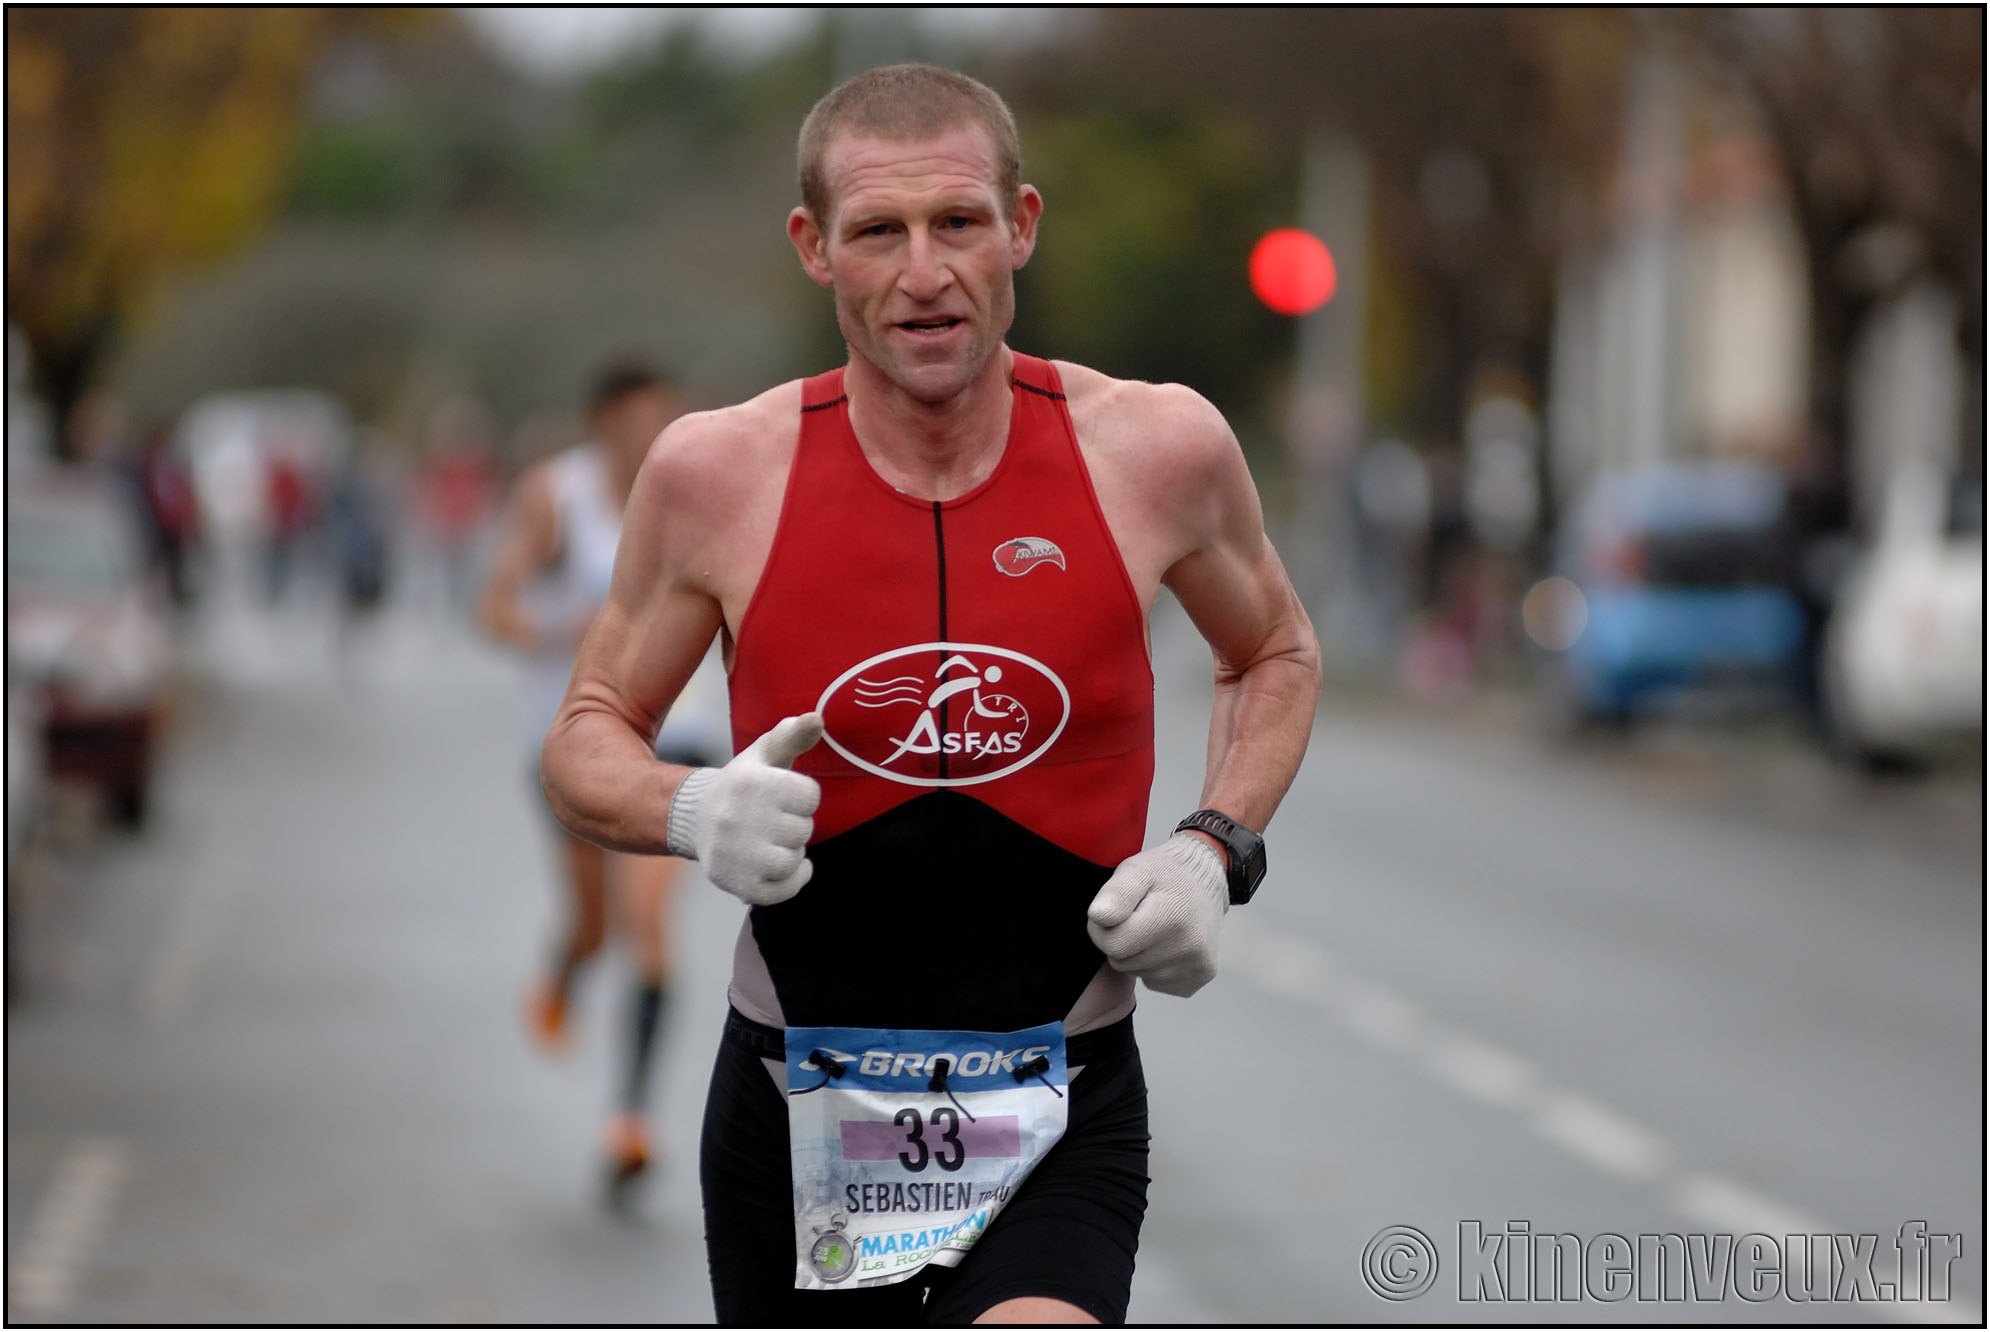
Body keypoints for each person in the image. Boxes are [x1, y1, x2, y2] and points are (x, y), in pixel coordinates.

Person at [540, 65, 1321, 1324]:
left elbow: (1274, 649)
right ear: (814, 249)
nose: (923, 273)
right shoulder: (719, 473)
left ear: (1020, 224)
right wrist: (692, 810)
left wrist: (1211, 846)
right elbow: (583, 739)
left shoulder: (1156, 449)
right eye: (877, 233)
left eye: (957, 222)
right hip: (799, 1097)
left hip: (1056, 1094)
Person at [478, 361, 726, 1207]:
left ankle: (630, 1116)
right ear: (601, 425)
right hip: (578, 748)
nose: (649, 437)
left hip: (680, 744)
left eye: (664, 418)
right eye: (634, 422)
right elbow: (495, 607)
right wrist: (560, 627)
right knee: (596, 929)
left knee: (647, 920)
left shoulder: (696, 493)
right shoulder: (558, 497)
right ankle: (565, 967)